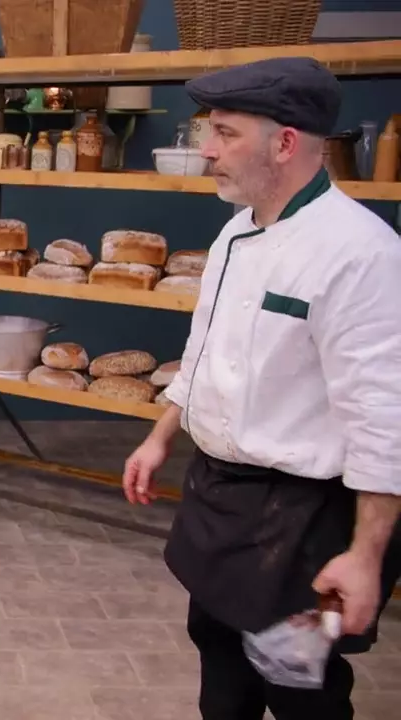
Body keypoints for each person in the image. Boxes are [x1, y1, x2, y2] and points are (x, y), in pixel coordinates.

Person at [123, 57, 401, 719]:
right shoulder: (235, 232)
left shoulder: (362, 253)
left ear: (285, 143)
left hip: (306, 516)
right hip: (223, 495)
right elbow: (205, 351)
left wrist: (366, 556)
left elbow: (384, 419)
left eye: (225, 133)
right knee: (220, 662)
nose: (208, 150)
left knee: (299, 687)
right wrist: (161, 436)